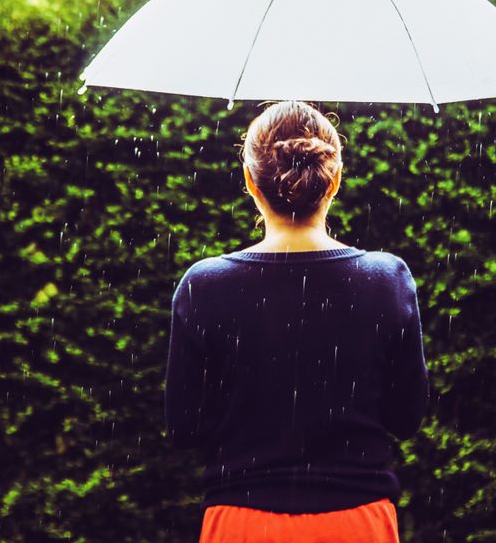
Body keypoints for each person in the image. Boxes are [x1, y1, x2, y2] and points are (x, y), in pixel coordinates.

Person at [165, 100, 430, 542]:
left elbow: (185, 428)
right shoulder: (386, 279)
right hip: (357, 522)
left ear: (250, 180)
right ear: (336, 178)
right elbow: (405, 418)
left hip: (242, 521)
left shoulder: (204, 285)